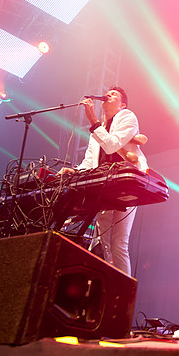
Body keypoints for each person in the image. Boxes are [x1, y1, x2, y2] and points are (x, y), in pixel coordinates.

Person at [61, 86, 147, 276]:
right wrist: (73, 173)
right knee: (103, 241)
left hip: (127, 184)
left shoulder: (127, 117)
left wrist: (92, 120)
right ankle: (106, 285)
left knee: (119, 243)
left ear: (122, 104)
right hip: (105, 185)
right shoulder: (97, 131)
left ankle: (123, 294)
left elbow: (111, 146)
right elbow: (89, 162)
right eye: (107, 93)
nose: (108, 95)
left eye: (114, 94)